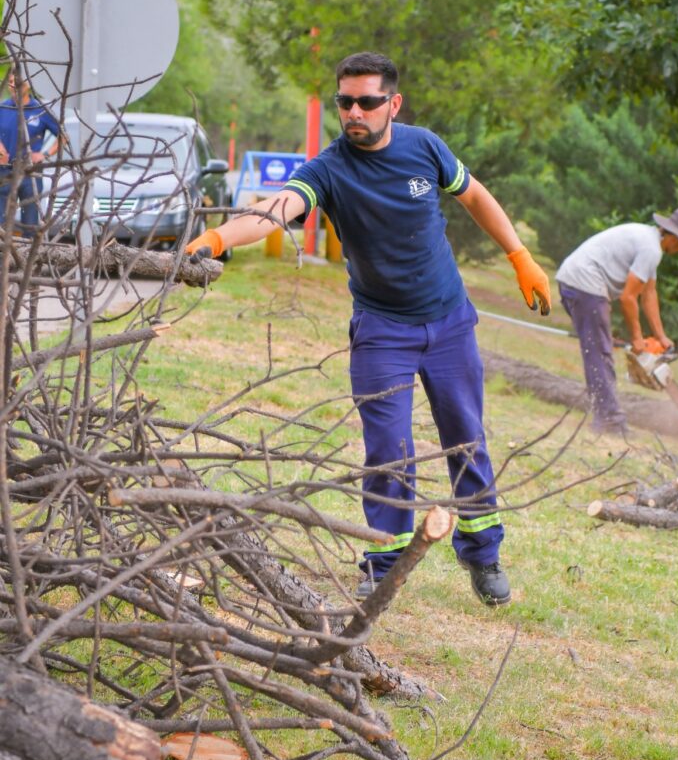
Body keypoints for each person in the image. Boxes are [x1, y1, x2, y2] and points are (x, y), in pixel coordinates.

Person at [186, 51, 551, 606]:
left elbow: (473, 194)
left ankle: (484, 554)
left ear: (393, 103)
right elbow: (277, 208)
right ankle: (384, 561)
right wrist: (217, 238)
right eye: (345, 101)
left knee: (467, 438)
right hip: (382, 330)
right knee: (387, 448)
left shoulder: (424, 147)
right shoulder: (329, 169)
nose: (354, 111)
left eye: (367, 101)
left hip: (450, 322)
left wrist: (519, 254)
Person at [555, 208, 678, 435]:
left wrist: (660, 336)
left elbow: (649, 294)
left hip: (577, 281)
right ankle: (609, 421)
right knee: (599, 353)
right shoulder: (650, 249)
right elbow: (628, 297)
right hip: (584, 282)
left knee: (599, 347)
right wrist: (637, 338)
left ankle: (607, 415)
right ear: (675, 236)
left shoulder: (650, 243)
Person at [0, 70, 61, 237]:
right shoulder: (3, 107)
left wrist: (45, 154)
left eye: (18, 82)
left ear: (28, 85)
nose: (14, 86)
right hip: (4, 171)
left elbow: (63, 136)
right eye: (11, 81)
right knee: (1, 222)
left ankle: (28, 261)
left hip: (30, 173)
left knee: (30, 223)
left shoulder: (39, 110)